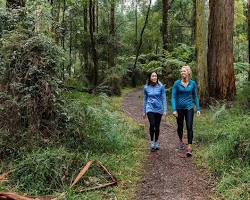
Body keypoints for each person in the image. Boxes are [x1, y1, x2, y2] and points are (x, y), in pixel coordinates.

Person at [171, 65, 200, 157]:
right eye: (181, 71)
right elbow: (173, 97)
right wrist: (174, 109)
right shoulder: (177, 83)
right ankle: (180, 141)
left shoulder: (192, 83)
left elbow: (195, 96)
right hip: (179, 109)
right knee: (180, 126)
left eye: (184, 71)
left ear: (188, 73)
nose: (182, 73)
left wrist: (198, 108)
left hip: (189, 108)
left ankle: (189, 147)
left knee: (189, 126)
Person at [143, 71, 167, 151]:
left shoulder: (161, 87)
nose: (154, 77)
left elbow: (164, 98)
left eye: (155, 76)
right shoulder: (146, 87)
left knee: (157, 126)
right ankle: (152, 142)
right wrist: (144, 111)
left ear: (157, 77)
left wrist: (165, 110)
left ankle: (156, 141)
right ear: (150, 77)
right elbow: (145, 99)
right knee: (152, 124)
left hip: (159, 109)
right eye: (153, 76)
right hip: (149, 108)